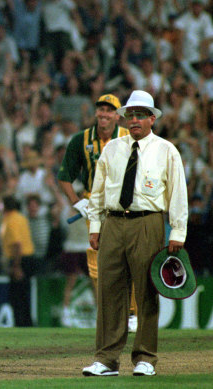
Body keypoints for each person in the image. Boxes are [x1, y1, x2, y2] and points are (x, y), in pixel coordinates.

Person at [82, 90, 188, 377]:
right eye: (130, 115)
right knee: (109, 291)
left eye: (140, 115)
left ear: (153, 118)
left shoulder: (166, 150)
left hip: (148, 221)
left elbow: (178, 192)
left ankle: (145, 357)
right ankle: (106, 359)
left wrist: (177, 230)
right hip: (113, 222)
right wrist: (95, 226)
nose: (134, 120)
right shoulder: (112, 149)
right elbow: (98, 191)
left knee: (146, 291)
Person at [56, 94, 138, 332]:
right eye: (101, 109)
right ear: (96, 113)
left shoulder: (128, 136)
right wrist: (76, 202)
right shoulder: (81, 140)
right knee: (96, 261)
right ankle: (108, 313)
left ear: (117, 115)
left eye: (109, 110)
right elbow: (64, 177)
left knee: (129, 257)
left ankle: (131, 313)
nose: (104, 114)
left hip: (125, 204)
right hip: (95, 204)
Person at [0, 196, 36, 327]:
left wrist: (16, 267)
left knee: (17, 296)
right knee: (23, 295)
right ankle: (26, 323)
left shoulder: (11, 220)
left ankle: (21, 324)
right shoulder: (21, 217)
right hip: (26, 259)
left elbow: (17, 244)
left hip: (20, 260)